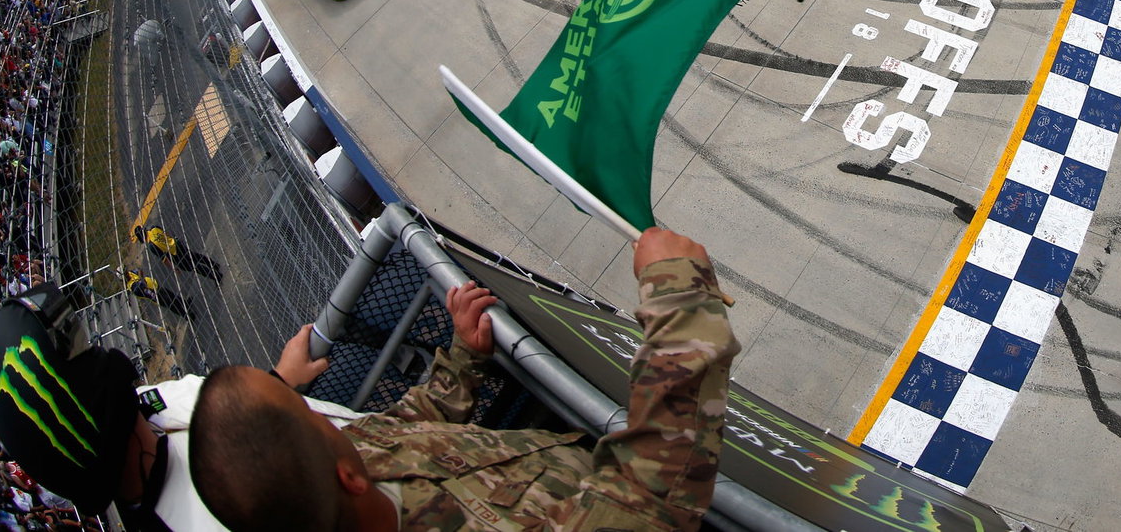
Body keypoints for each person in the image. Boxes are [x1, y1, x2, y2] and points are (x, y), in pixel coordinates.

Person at [191, 225, 738, 532]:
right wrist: (679, 294)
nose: (325, 414)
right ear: (347, 480)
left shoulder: (358, 455)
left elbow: (409, 427)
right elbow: (647, 500)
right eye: (309, 414)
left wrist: (461, 359)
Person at [0, 281, 337, 532]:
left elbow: (220, 419)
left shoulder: (146, 408)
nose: (94, 350)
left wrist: (278, 380)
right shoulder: (212, 519)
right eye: (82, 354)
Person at [135, 224, 224, 283]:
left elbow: (164, 259)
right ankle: (214, 265)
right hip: (177, 244)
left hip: (175, 254)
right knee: (196, 256)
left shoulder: (152, 246)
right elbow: (166, 233)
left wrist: (174, 268)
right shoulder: (153, 228)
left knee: (194, 267)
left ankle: (216, 276)